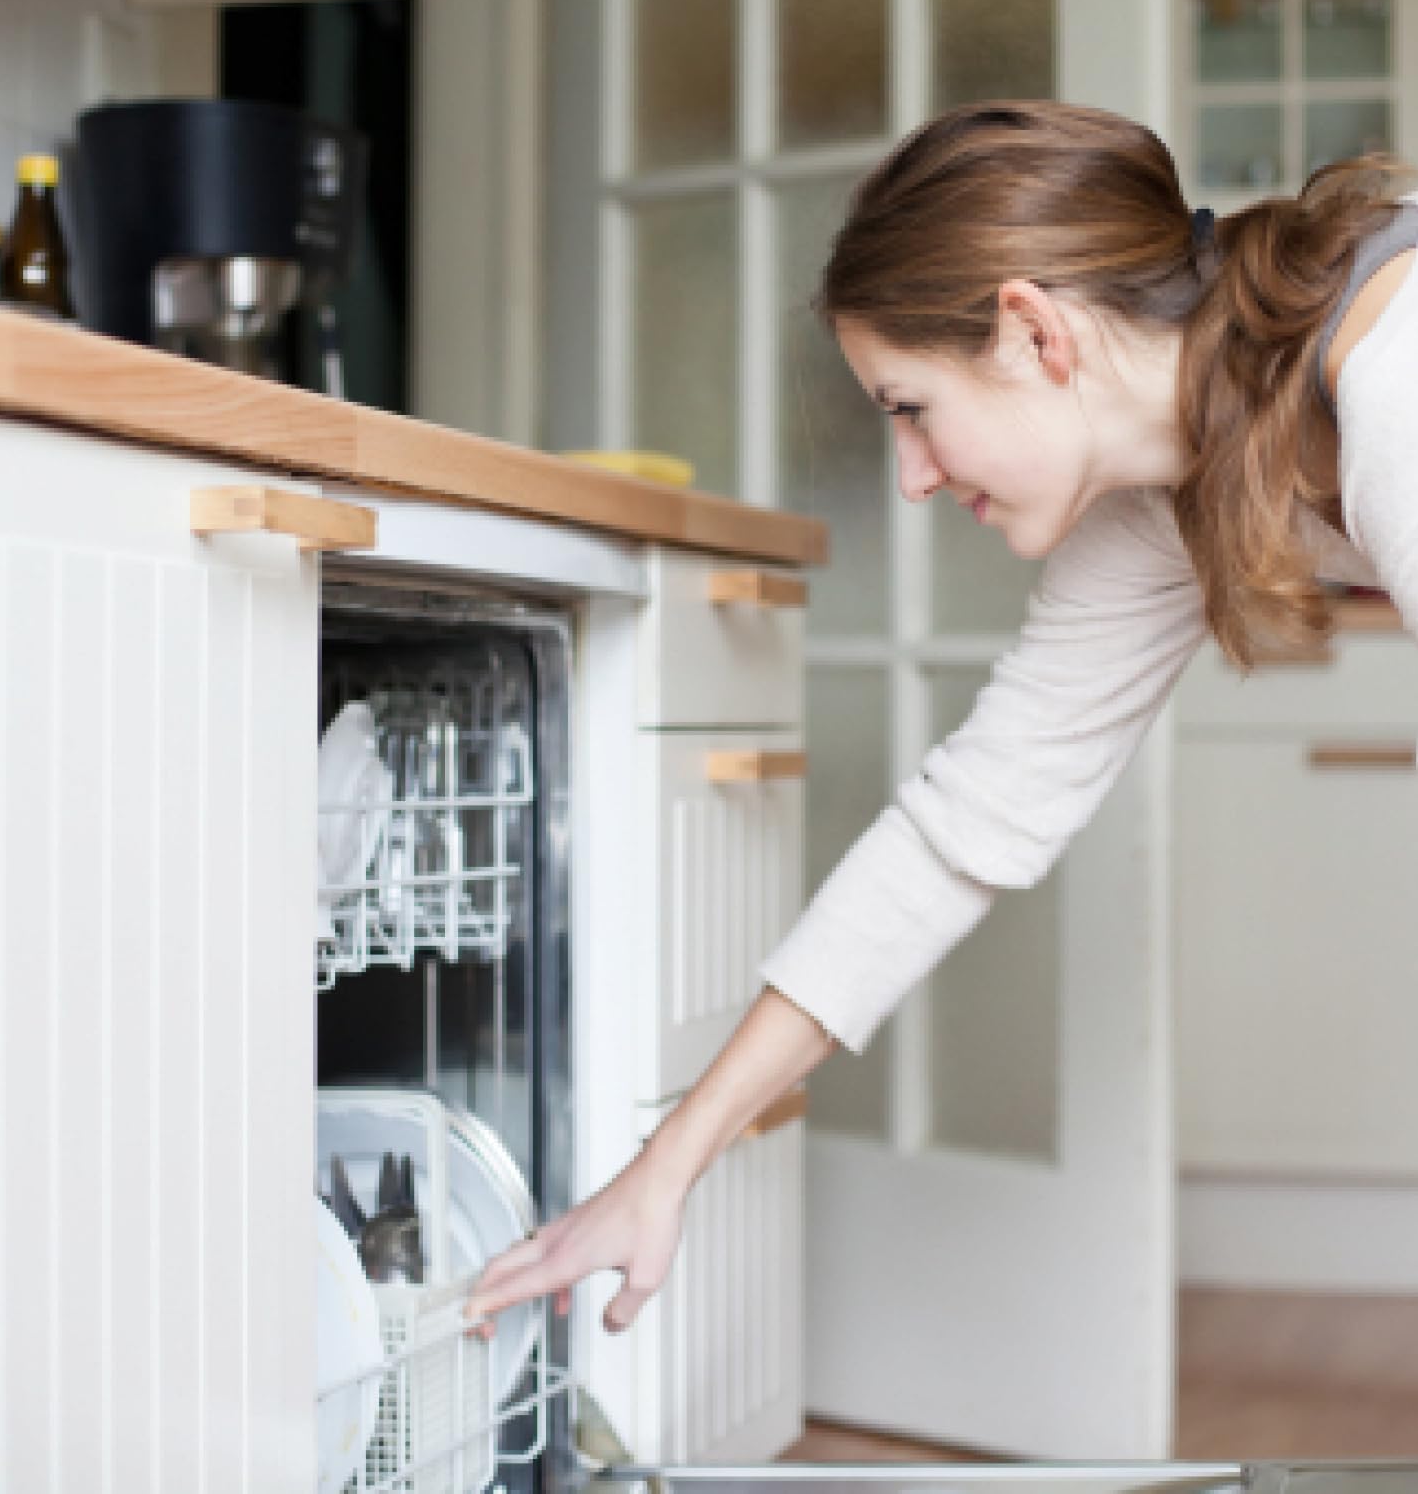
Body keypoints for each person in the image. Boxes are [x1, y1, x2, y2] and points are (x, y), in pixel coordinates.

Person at [467, 98, 1418, 1336]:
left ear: (1033, 331)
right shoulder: (1169, 481)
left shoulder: (1395, 385)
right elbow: (962, 829)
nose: (913, 478)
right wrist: (666, 1167)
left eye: (910, 406)